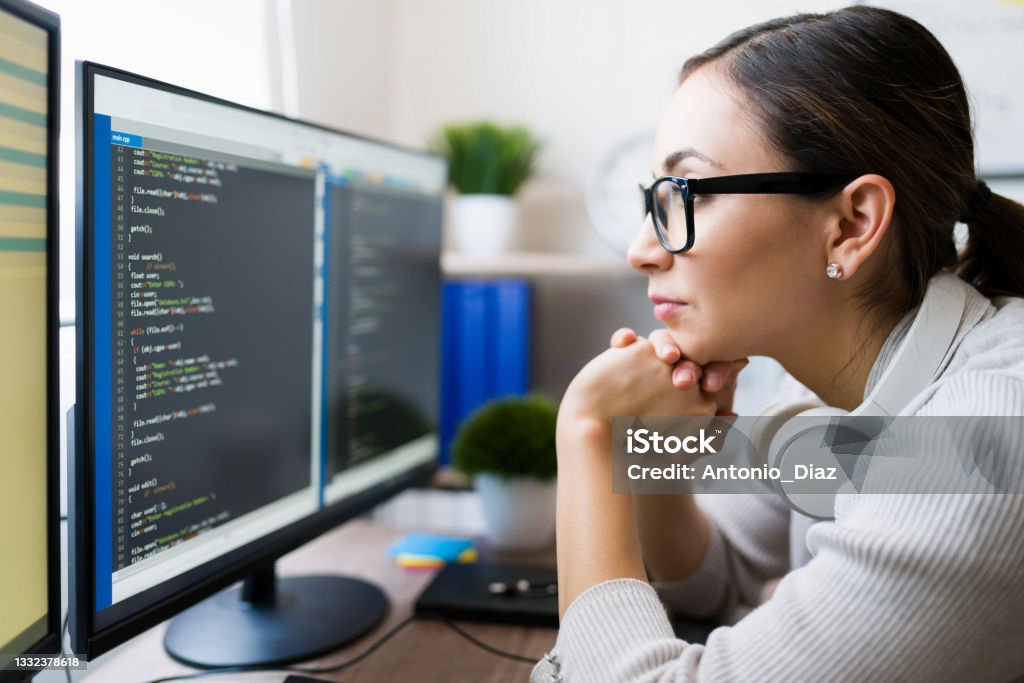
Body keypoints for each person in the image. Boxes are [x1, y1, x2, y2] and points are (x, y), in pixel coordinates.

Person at [532, 6, 1024, 682]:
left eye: (685, 195)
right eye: (654, 199)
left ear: (852, 225)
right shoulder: (830, 373)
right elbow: (723, 572)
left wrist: (589, 434)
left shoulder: (981, 444)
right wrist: (651, 457)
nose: (641, 249)